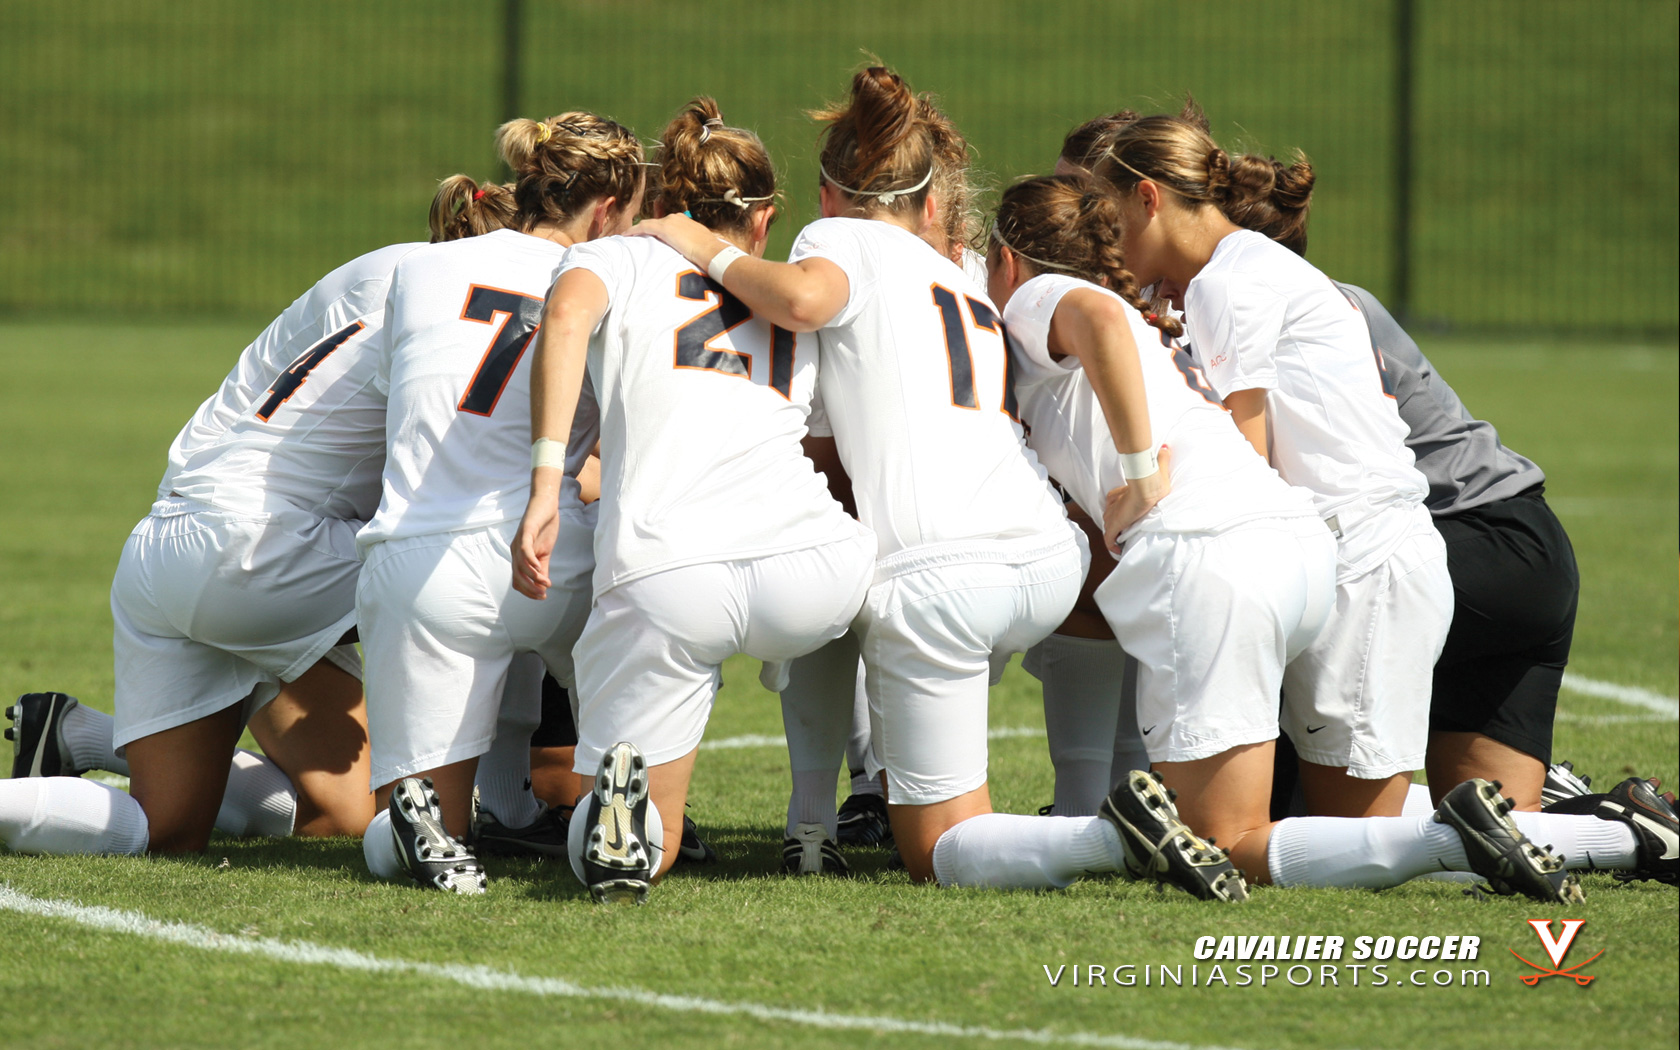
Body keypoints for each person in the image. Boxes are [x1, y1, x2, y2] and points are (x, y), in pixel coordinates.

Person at [630, 67, 1244, 900]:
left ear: (827, 193)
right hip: (1044, 560)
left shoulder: (837, 238)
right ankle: (1096, 799)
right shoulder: (958, 275)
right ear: (931, 202)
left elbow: (807, 302)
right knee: (953, 761)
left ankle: (1104, 835)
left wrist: (710, 249)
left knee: (937, 851)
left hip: (944, 572)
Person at [982, 173, 1613, 902]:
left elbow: (1090, 315)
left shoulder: (1048, 295)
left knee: (1223, 838)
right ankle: (1589, 832)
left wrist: (1138, 473)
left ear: (1007, 260)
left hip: (1222, 552)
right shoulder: (1171, 307)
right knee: (1304, 822)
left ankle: (1445, 838)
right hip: (1302, 546)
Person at [511, 98, 876, 903]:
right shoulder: (789, 295)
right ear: (767, 216)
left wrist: (546, 484)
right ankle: (829, 808)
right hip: (812, 567)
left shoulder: (620, 258)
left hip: (667, 574)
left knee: (657, 840)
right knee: (859, 597)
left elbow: (565, 316)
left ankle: (620, 821)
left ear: (663, 200)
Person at [1214, 152, 1577, 812]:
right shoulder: (1333, 298)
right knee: (1496, 834)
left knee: (1277, 817)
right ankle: (1619, 826)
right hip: (1529, 548)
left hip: (1446, 548)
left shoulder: (1263, 310)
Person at [354, 112, 644, 894]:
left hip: (420, 561)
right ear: (610, 207)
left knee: (425, 827)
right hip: (557, 559)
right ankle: (612, 810)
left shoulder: (419, 268)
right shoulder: (617, 272)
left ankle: (425, 826)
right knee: (663, 643)